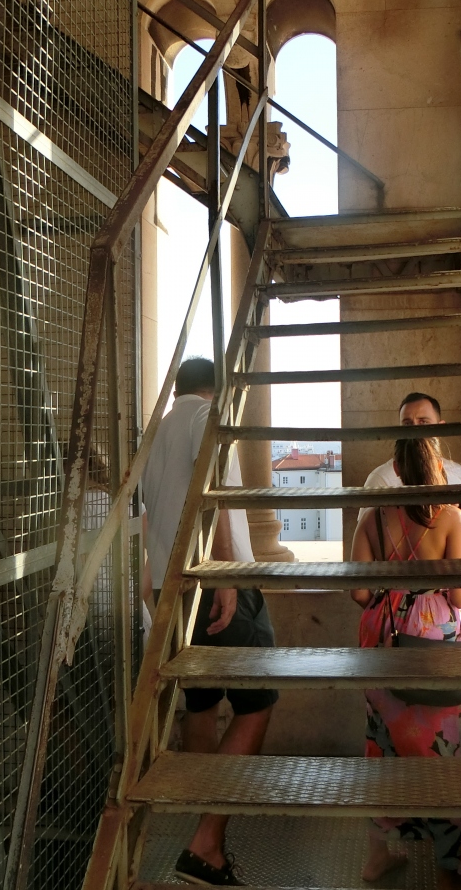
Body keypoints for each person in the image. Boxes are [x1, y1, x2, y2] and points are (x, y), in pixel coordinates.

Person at [142, 357, 278, 886]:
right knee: (258, 703)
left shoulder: (155, 434)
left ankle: (207, 834)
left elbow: (152, 516)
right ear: (215, 391)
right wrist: (223, 573)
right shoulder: (205, 416)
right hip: (217, 582)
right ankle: (205, 842)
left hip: (172, 590)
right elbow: (212, 484)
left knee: (200, 704)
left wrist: (151, 586)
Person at [350, 435, 461, 890]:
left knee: (383, 745)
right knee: (445, 751)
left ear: (397, 468)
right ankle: (451, 867)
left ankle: (377, 857)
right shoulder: (453, 518)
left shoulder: (372, 518)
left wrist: (394, 598)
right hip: (436, 638)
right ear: (437, 466)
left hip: (384, 637)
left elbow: (360, 592)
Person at [361, 392, 461, 549]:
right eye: (407, 424)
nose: (415, 430)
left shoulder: (459, 474)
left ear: (441, 428)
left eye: (423, 422)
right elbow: (369, 537)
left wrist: (459, 519)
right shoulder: (381, 478)